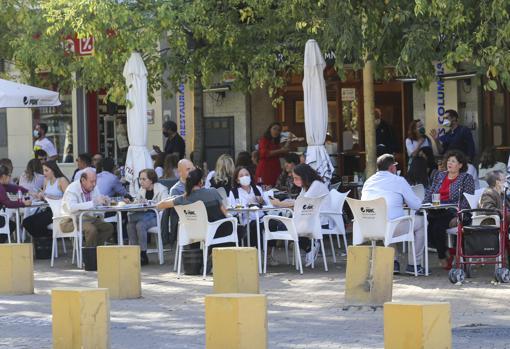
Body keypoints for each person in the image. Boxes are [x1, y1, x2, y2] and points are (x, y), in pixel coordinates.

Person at [362, 154, 426, 275]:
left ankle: (393, 263)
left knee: (389, 219)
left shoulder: (368, 181)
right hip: (392, 226)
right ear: (392, 168)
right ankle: (414, 265)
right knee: (422, 222)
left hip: (370, 226)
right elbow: (416, 205)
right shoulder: (398, 180)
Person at [157, 168, 236, 246]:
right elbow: (226, 214)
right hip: (219, 231)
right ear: (201, 182)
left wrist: (173, 198)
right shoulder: (213, 192)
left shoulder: (184, 198)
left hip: (195, 234)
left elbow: (160, 205)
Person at [270, 163, 329, 266]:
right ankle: (308, 246)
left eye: (296, 178)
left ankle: (309, 247)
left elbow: (300, 204)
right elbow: (298, 202)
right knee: (274, 224)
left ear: (304, 176)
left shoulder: (316, 185)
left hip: (318, 220)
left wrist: (279, 204)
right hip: (308, 218)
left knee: (279, 226)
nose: (294, 181)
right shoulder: (307, 186)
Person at [424, 150, 475, 269]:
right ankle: (446, 251)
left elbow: (467, 199)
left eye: (453, 161)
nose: (449, 163)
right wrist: (423, 205)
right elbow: (430, 192)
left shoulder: (466, 178)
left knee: (436, 227)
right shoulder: (440, 175)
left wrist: (459, 216)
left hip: (453, 210)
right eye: (449, 160)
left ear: (460, 165)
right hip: (436, 209)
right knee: (428, 225)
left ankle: (442, 256)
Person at [60, 169, 113, 247]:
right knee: (91, 229)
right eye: (92, 181)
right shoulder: (72, 189)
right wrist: (94, 202)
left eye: (95, 181)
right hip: (69, 221)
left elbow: (97, 205)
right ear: (83, 180)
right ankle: (89, 255)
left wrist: (105, 202)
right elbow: (71, 208)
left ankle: (94, 250)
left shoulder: (93, 187)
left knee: (108, 227)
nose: (94, 184)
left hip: (87, 218)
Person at [127, 169, 169, 265]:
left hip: (157, 217)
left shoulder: (162, 189)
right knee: (130, 225)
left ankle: (143, 254)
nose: (141, 181)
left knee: (140, 225)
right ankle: (134, 253)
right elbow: (137, 204)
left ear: (151, 180)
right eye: (140, 179)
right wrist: (132, 203)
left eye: (143, 179)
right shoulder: (141, 190)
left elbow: (165, 204)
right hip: (144, 215)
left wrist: (149, 203)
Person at [23, 161, 69, 239]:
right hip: (48, 209)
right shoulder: (46, 181)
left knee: (37, 224)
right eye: (43, 170)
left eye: (46, 170)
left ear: (53, 170)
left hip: (58, 211)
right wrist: (39, 196)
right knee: (26, 222)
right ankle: (46, 238)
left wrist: (49, 196)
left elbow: (68, 198)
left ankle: (44, 241)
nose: (44, 173)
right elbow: (45, 196)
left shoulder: (61, 180)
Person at [160, 159, 195, 244]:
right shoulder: (176, 190)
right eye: (188, 169)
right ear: (180, 172)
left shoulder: (198, 185)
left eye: (192, 169)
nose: (192, 172)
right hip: (188, 223)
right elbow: (179, 213)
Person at [0, 165, 30, 242]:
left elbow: (14, 187)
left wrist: (27, 191)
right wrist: (23, 203)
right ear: (3, 176)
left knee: (10, 224)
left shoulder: (3, 186)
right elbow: (8, 203)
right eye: (9, 175)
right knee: (11, 225)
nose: (10, 177)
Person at [255, 122, 291, 186]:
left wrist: (289, 141)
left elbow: (282, 152)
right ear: (269, 129)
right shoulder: (264, 140)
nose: (276, 131)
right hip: (265, 168)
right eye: (274, 129)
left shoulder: (276, 141)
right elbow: (265, 153)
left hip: (275, 167)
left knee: (276, 186)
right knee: (265, 187)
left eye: (279, 130)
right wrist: (281, 150)